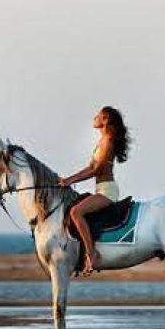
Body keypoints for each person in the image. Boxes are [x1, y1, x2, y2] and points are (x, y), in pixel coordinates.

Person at [58, 106, 131, 274]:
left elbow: (96, 170)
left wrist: (70, 180)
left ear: (104, 120)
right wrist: (67, 179)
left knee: (76, 212)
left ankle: (92, 254)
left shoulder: (108, 141)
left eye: (98, 115)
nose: (94, 117)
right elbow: (90, 167)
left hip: (107, 191)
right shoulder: (102, 140)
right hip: (101, 189)